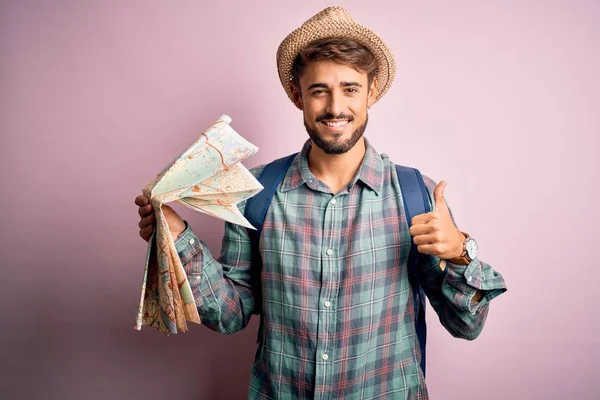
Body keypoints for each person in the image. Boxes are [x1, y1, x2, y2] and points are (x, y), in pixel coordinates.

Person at [135, 6, 507, 399]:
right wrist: (179, 242)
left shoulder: (416, 196)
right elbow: (230, 315)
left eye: (350, 88)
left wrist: (460, 252)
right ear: (298, 95)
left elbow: (467, 325)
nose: (334, 107)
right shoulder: (255, 193)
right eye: (319, 90)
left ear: (371, 91)